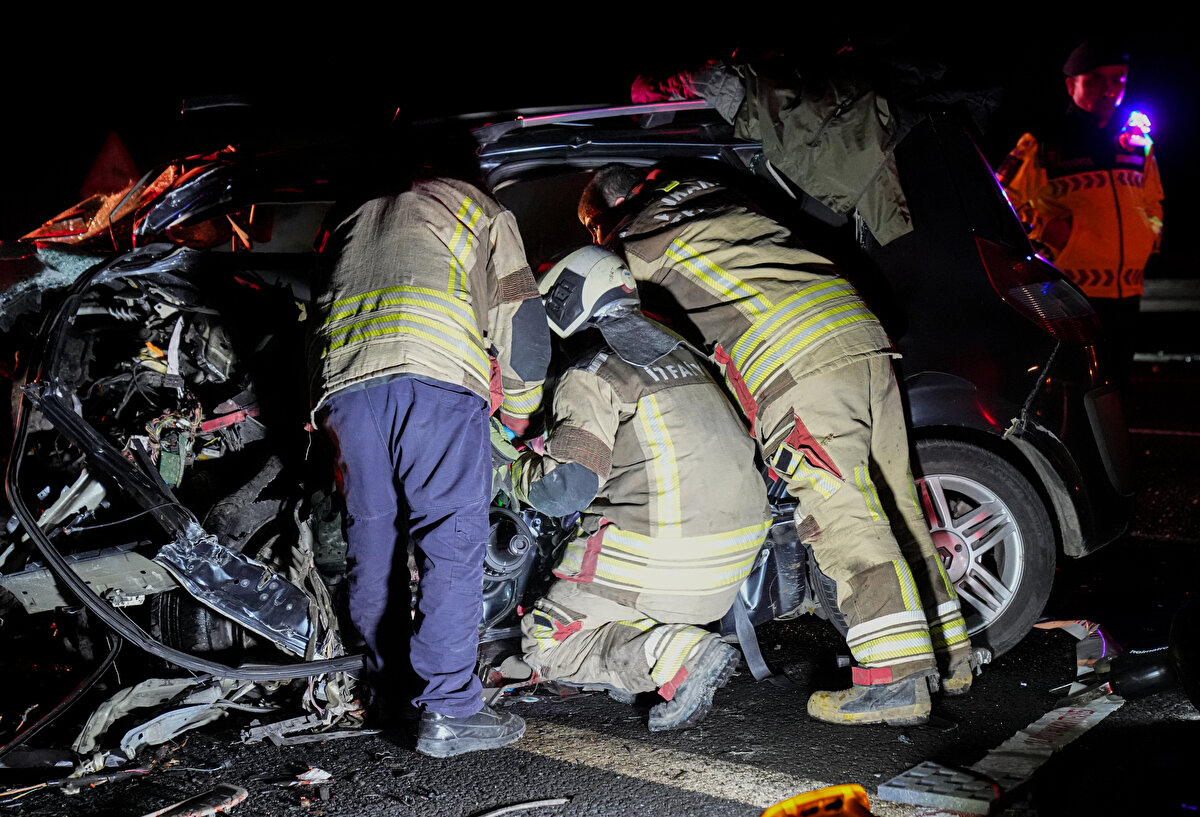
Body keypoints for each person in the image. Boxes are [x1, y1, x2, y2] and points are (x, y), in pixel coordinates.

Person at [577, 165, 976, 726]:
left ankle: (897, 678)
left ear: (606, 216)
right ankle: (950, 657)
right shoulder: (718, 195)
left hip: (797, 366)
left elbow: (631, 335)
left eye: (595, 231)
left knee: (842, 514)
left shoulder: (633, 242)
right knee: (898, 506)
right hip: (863, 341)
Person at [307, 176, 550, 756]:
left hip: (344, 388)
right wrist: (515, 419)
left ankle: (389, 694)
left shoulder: (354, 207)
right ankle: (448, 709)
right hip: (434, 373)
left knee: (375, 540)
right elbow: (522, 324)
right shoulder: (476, 204)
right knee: (453, 540)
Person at [514, 245, 772, 731]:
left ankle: (677, 655)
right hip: (731, 575)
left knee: (545, 644)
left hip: (665, 568)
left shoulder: (591, 371)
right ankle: (658, 642)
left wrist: (511, 472)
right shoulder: (686, 355)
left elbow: (567, 488)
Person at [996, 40, 1164, 386]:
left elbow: (1154, 201)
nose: (1108, 90)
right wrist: (1044, 230)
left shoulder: (1136, 140)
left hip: (1127, 292)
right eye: (1095, 81)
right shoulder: (1044, 141)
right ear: (1072, 84)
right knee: (1073, 389)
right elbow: (1001, 196)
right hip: (1071, 291)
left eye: (1117, 80)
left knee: (1116, 387)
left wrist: (1148, 237)